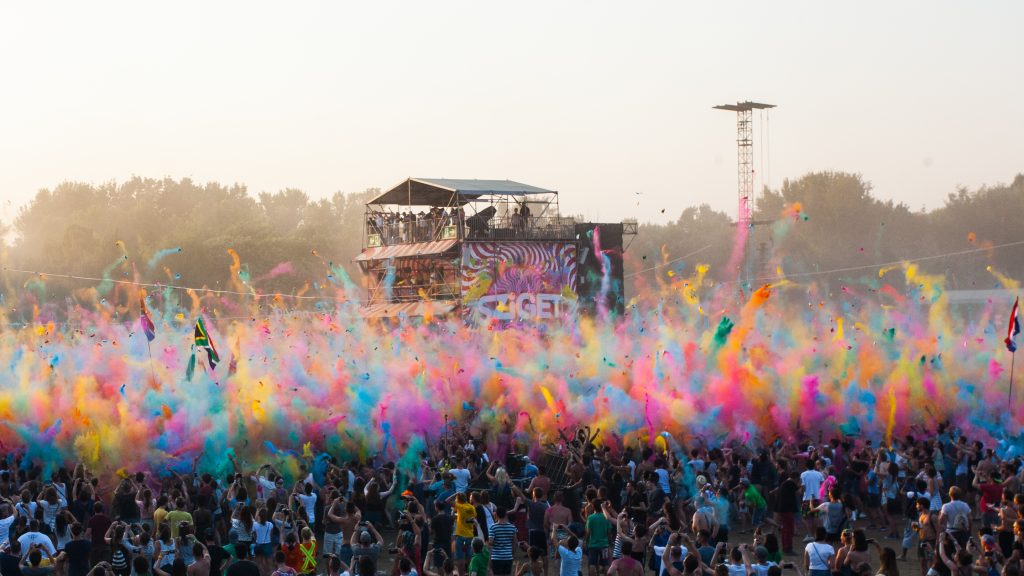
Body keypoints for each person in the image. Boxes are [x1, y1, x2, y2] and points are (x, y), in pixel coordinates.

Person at [584, 499, 612, 576]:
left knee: (592, 564)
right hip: (604, 545)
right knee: (606, 564)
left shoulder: (590, 517)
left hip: (593, 545)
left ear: (593, 507)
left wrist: (586, 541)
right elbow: (609, 532)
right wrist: (609, 542)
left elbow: (588, 532)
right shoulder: (606, 517)